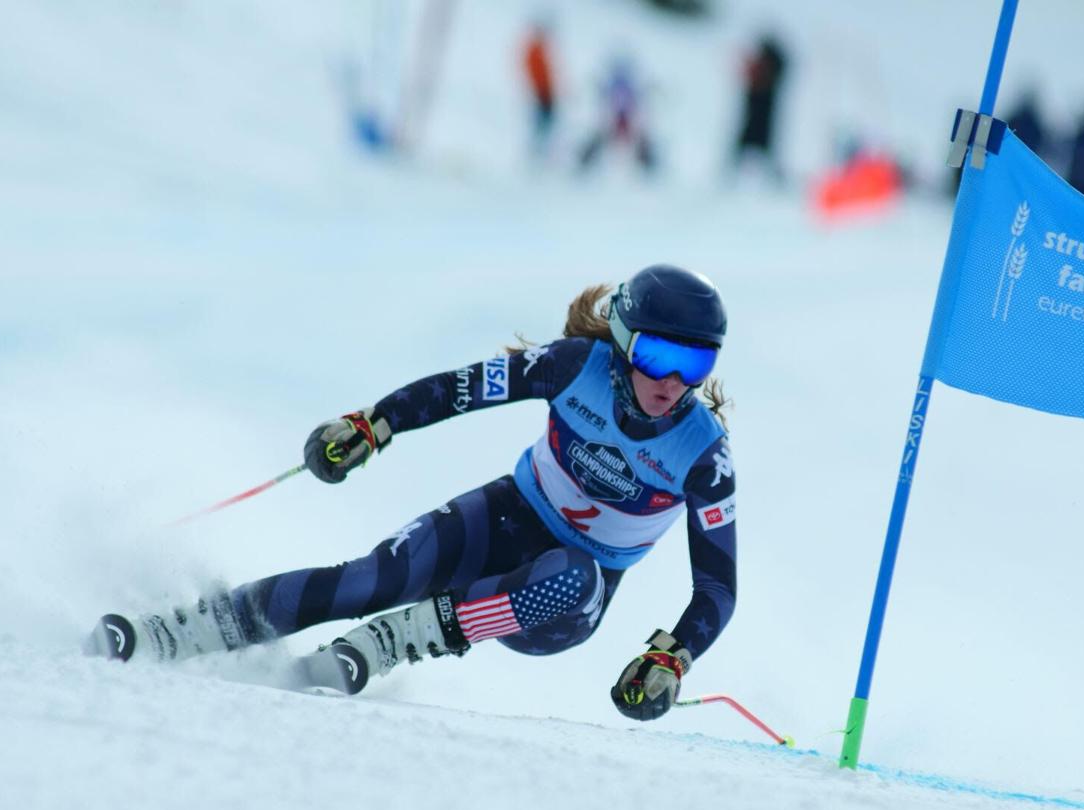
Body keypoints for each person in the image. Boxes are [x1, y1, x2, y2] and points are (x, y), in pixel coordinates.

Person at [87, 265, 737, 723]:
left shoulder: (701, 455)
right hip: (506, 516)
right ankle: (173, 633)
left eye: (696, 365)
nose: (672, 381)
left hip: (561, 606)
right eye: (656, 356)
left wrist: (670, 657)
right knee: (371, 579)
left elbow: (716, 588)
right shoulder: (575, 366)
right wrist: (375, 424)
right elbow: (458, 389)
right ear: (624, 341)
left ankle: (396, 641)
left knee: (576, 575)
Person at [578, 56, 657, 174]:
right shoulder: (620, 84)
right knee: (600, 137)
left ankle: (648, 163)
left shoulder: (622, 85)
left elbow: (636, 97)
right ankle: (585, 161)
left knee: (639, 139)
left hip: (623, 119)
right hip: (616, 119)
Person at [731, 35, 789, 185]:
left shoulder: (771, 64)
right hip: (756, 109)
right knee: (751, 139)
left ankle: (768, 175)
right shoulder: (767, 64)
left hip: (762, 110)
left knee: (761, 141)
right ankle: (735, 170)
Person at [520, 20, 558, 162]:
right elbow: (537, 74)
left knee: (546, 126)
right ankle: (536, 153)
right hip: (542, 94)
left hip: (546, 94)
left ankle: (541, 152)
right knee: (541, 125)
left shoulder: (540, 51)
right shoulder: (534, 50)